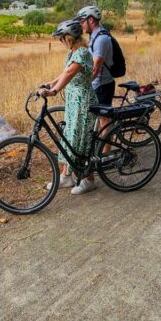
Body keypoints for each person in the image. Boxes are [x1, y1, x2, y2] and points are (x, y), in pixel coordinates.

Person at [38, 19, 99, 195]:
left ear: (69, 37)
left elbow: (71, 72)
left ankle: (89, 179)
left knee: (81, 140)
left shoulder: (81, 53)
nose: (59, 41)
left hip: (83, 102)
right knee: (70, 138)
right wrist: (50, 83)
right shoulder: (73, 52)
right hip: (74, 102)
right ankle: (66, 176)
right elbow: (65, 72)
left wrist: (54, 91)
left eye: (61, 38)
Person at [75, 6, 116, 120]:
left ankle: (108, 138)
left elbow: (95, 68)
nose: (81, 24)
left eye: (82, 21)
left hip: (102, 85)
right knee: (96, 118)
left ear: (91, 20)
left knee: (104, 119)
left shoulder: (101, 39)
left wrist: (84, 84)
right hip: (97, 84)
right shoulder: (94, 36)